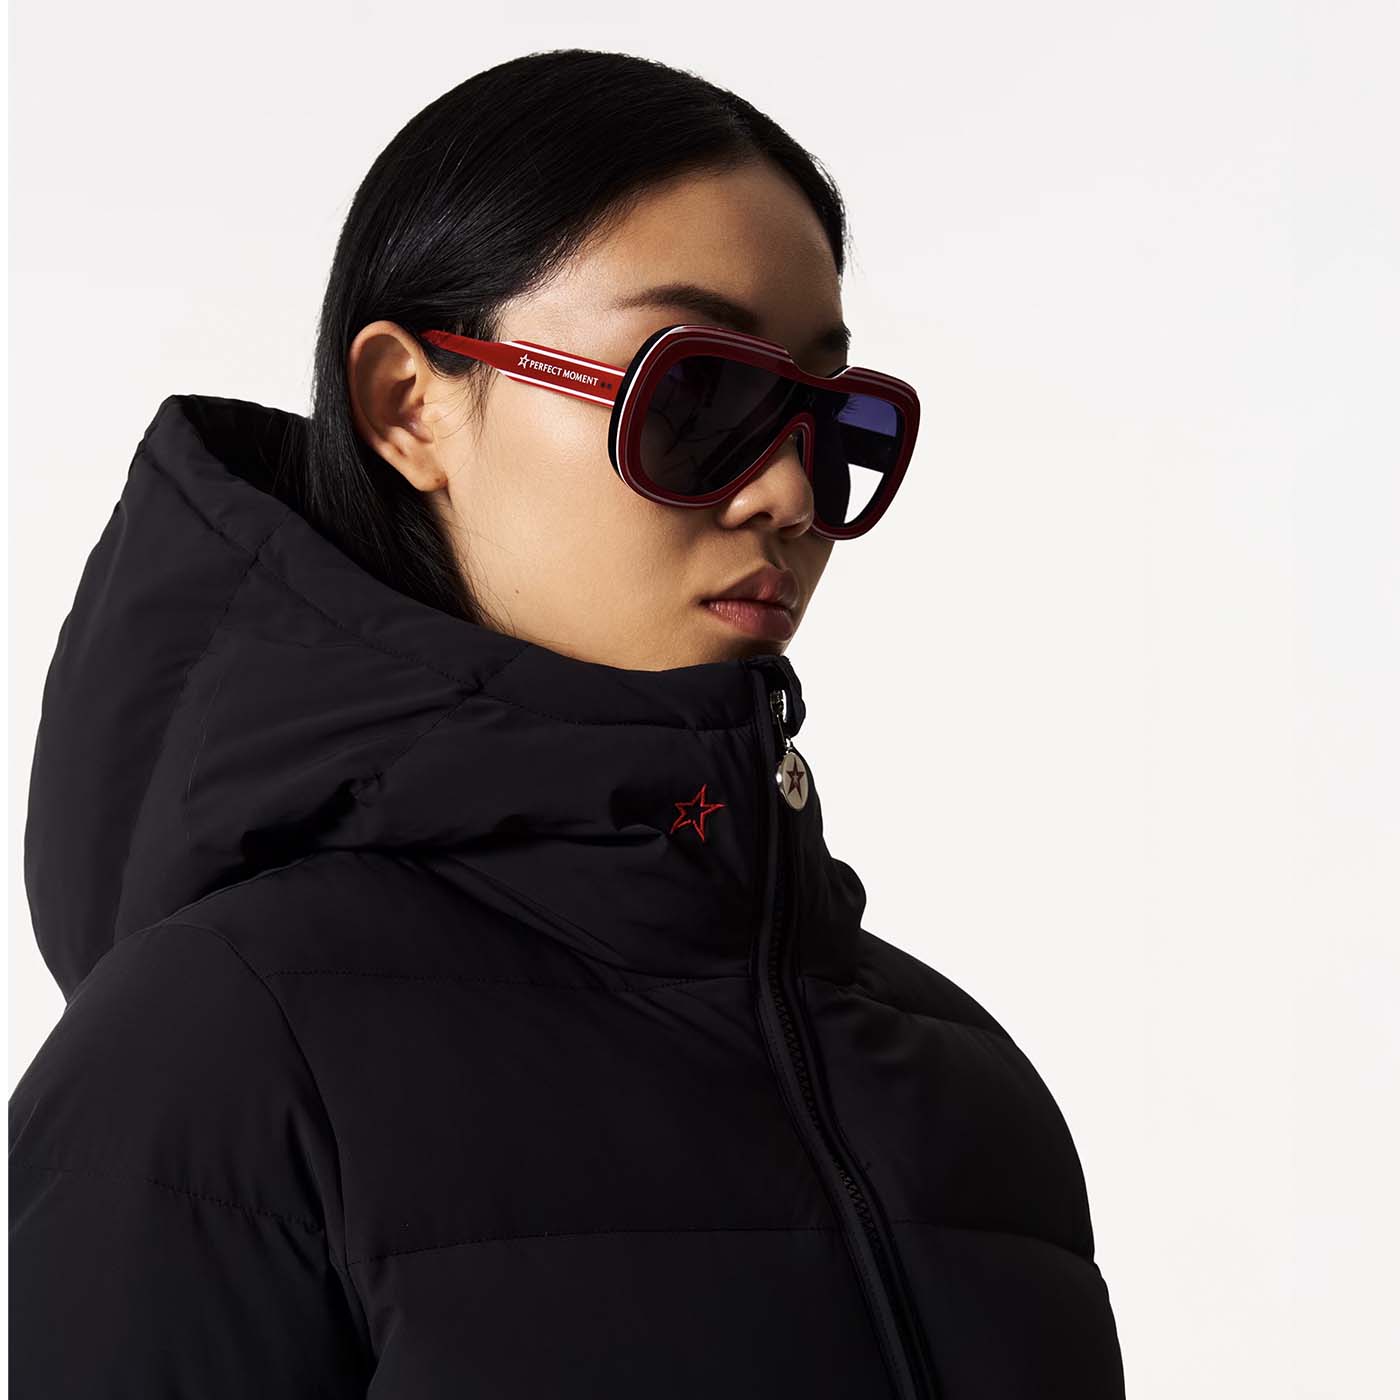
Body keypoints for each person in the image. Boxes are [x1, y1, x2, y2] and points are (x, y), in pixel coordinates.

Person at [9, 48, 1126, 1399]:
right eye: (696, 395)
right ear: (408, 407)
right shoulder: (214, 1055)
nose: (787, 493)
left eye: (833, 422)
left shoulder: (966, 1090)